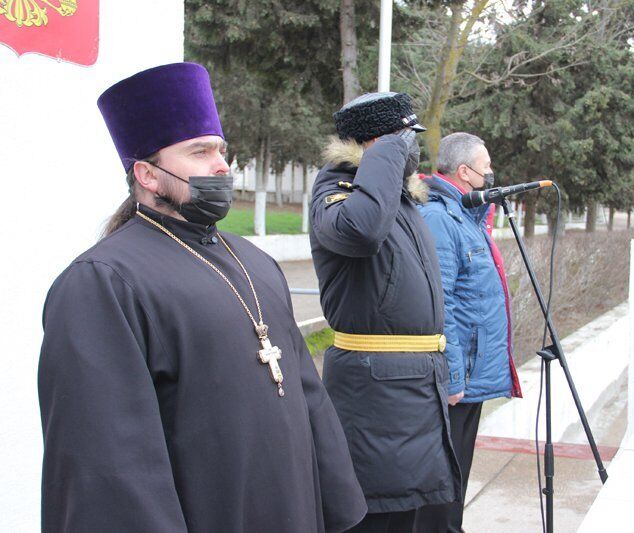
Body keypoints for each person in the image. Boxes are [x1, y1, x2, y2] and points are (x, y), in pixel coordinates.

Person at [38, 62, 367, 533]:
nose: (222, 166)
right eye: (200, 152)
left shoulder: (256, 262)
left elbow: (306, 393)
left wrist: (337, 506)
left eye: (221, 150)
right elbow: (108, 462)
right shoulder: (102, 283)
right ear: (147, 175)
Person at [309, 92, 461, 533]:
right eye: (405, 138)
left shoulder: (400, 199)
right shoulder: (336, 189)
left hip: (416, 383)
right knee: (378, 513)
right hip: (378, 392)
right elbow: (360, 232)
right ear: (378, 143)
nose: (413, 147)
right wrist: (389, 148)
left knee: (408, 512)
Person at [415, 132, 522, 533]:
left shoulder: (465, 216)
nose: (491, 173)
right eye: (486, 166)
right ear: (465, 172)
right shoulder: (441, 219)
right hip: (457, 380)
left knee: (456, 477)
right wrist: (454, 376)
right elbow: (441, 306)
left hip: (470, 374)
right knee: (445, 481)